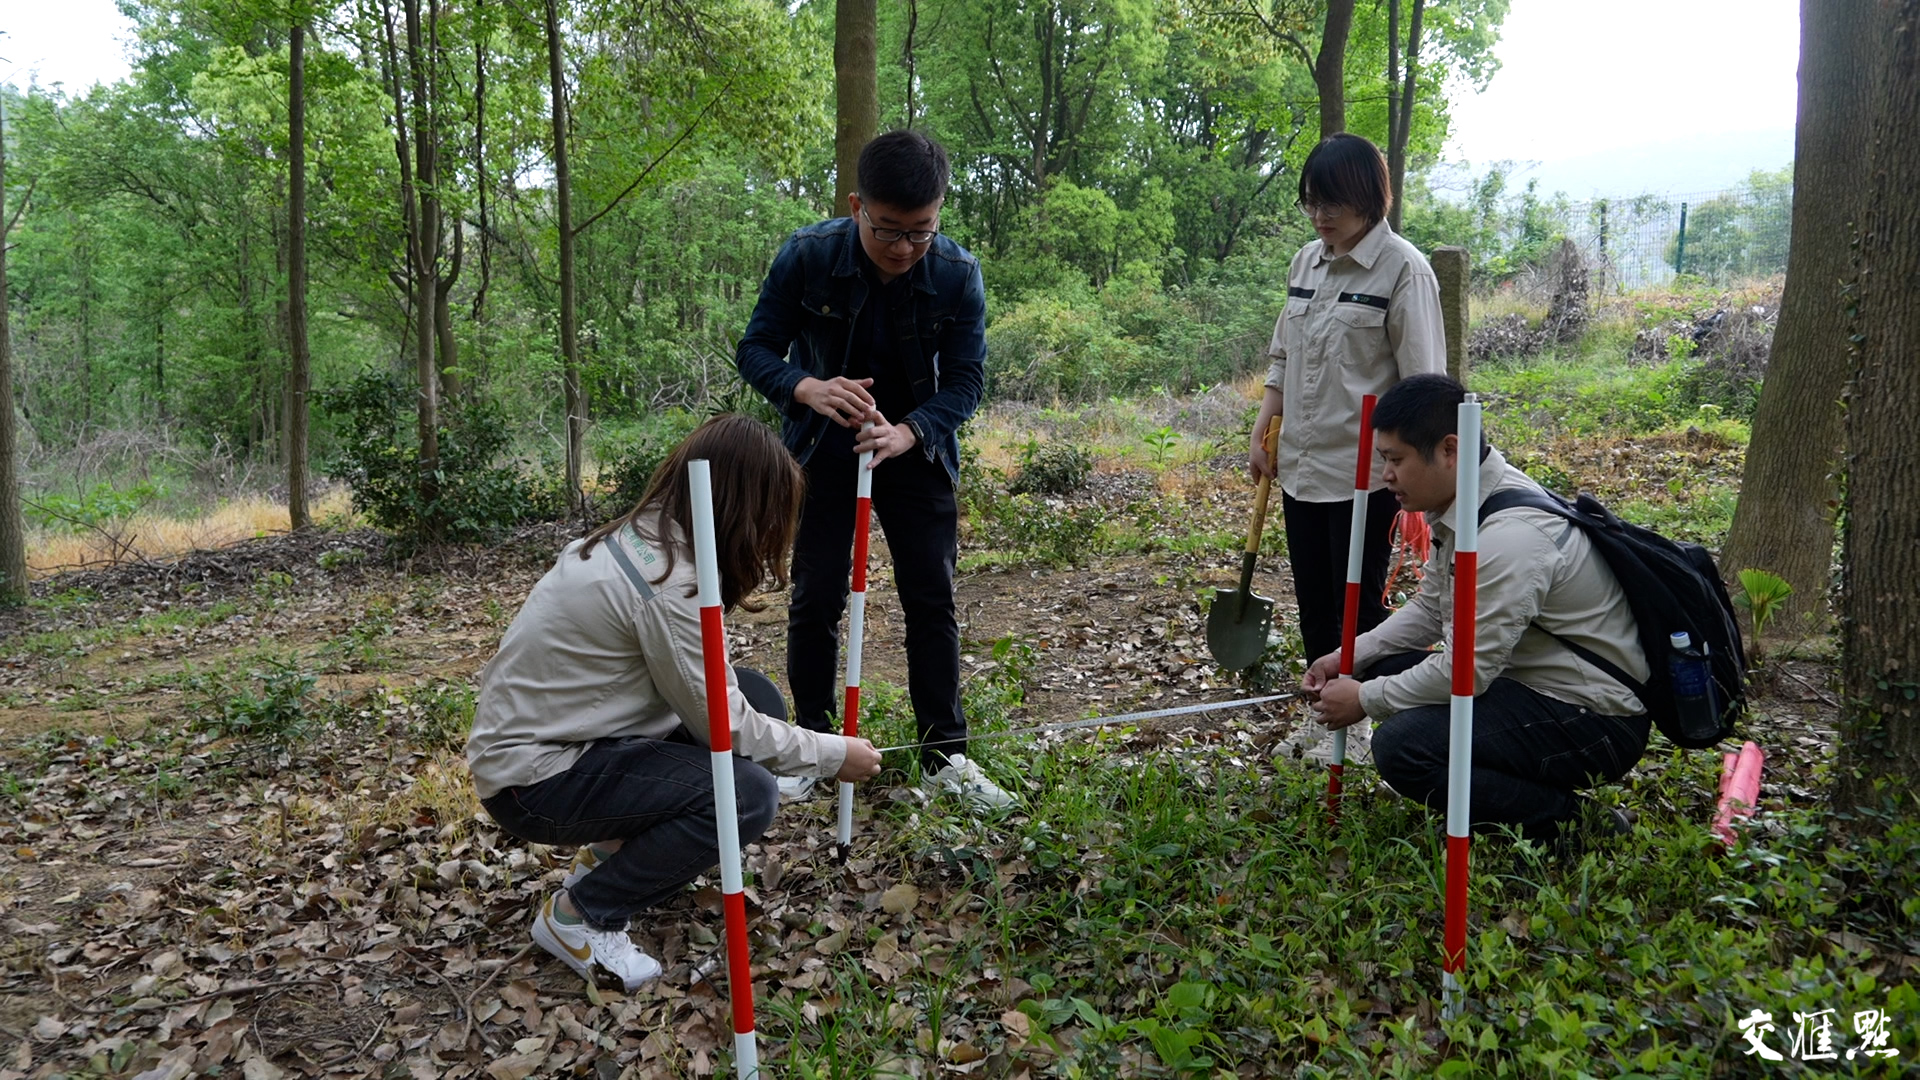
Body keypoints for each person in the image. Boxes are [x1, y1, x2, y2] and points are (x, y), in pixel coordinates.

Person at [466, 415, 883, 989]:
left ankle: (612, 852)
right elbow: (728, 729)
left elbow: (722, 702)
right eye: (772, 513)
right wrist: (833, 755)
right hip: (532, 780)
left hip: (561, 737)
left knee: (755, 691)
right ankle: (581, 916)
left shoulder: (647, 534)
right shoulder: (667, 585)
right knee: (746, 796)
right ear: (743, 506)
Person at [735, 130, 1012, 811]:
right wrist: (807, 388)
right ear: (857, 205)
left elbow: (969, 381)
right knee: (815, 598)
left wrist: (912, 430)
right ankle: (814, 749)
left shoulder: (957, 272)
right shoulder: (807, 257)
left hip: (913, 450)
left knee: (931, 598)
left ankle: (946, 756)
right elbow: (757, 348)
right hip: (821, 451)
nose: (903, 248)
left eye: (922, 232)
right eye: (888, 230)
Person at [1303, 374, 1648, 845]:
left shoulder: (1510, 538)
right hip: (1528, 681)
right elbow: (1430, 608)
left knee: (1402, 747)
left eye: (1396, 460)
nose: (1385, 476)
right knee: (1379, 665)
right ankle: (1510, 787)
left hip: (1594, 719)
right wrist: (1349, 654)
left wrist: (1364, 699)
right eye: (1383, 459)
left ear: (1450, 450)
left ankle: (1573, 822)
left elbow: (1467, 674)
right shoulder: (1465, 500)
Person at [1247, 133, 1445, 764]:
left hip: (1366, 475)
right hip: (1302, 464)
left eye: (1333, 202)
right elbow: (1284, 355)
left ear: (1369, 198)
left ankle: (1360, 721)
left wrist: (1411, 475)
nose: (1321, 216)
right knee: (1314, 600)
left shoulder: (1404, 270)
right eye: (1312, 202)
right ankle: (1322, 714)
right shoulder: (1307, 262)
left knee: (1356, 603)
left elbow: (1423, 386)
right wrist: (1265, 424)